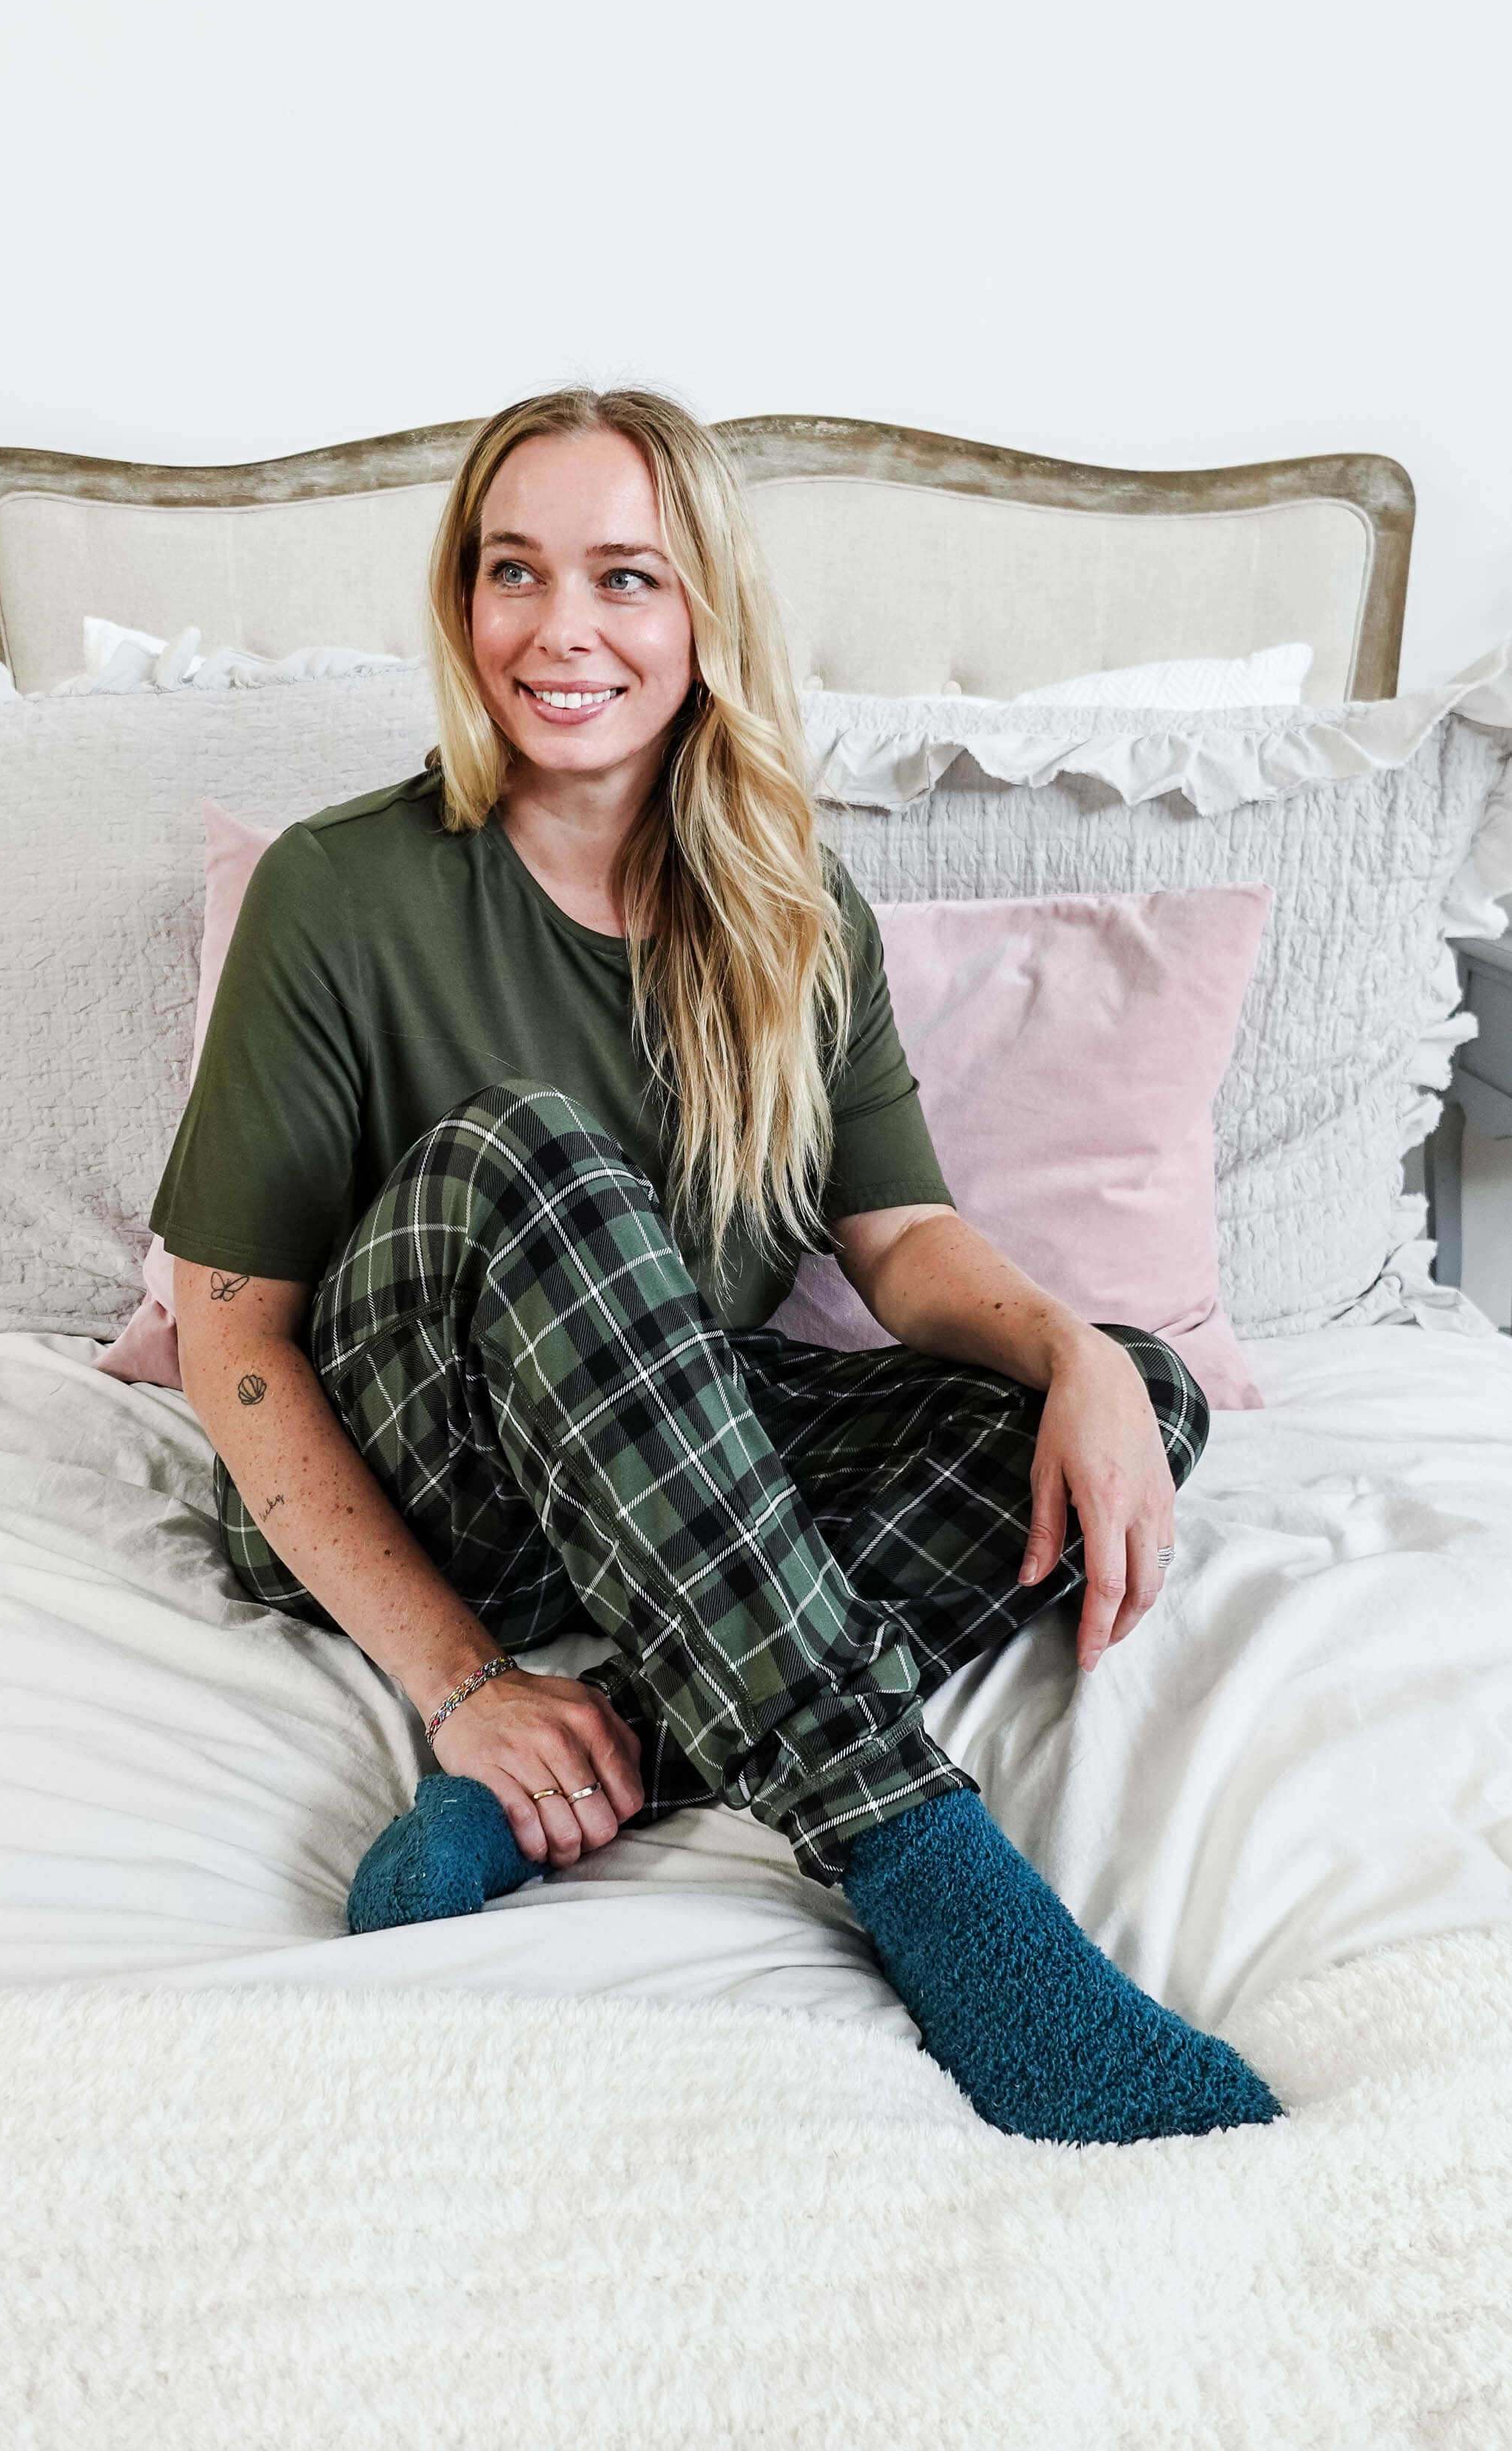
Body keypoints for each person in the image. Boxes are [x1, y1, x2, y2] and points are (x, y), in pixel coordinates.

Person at [150, 385, 1280, 2146]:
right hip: (408, 1464)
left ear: (702, 619)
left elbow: (900, 1244)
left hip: (662, 1462)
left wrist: (1075, 1350)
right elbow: (230, 1330)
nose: (563, 627)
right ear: (462, 605)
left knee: (1132, 1395)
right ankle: (918, 1855)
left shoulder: (792, 907)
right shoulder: (337, 889)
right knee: (536, 1152)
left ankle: (608, 1740)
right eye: (514, 571)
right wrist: (459, 1676)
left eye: (625, 575)